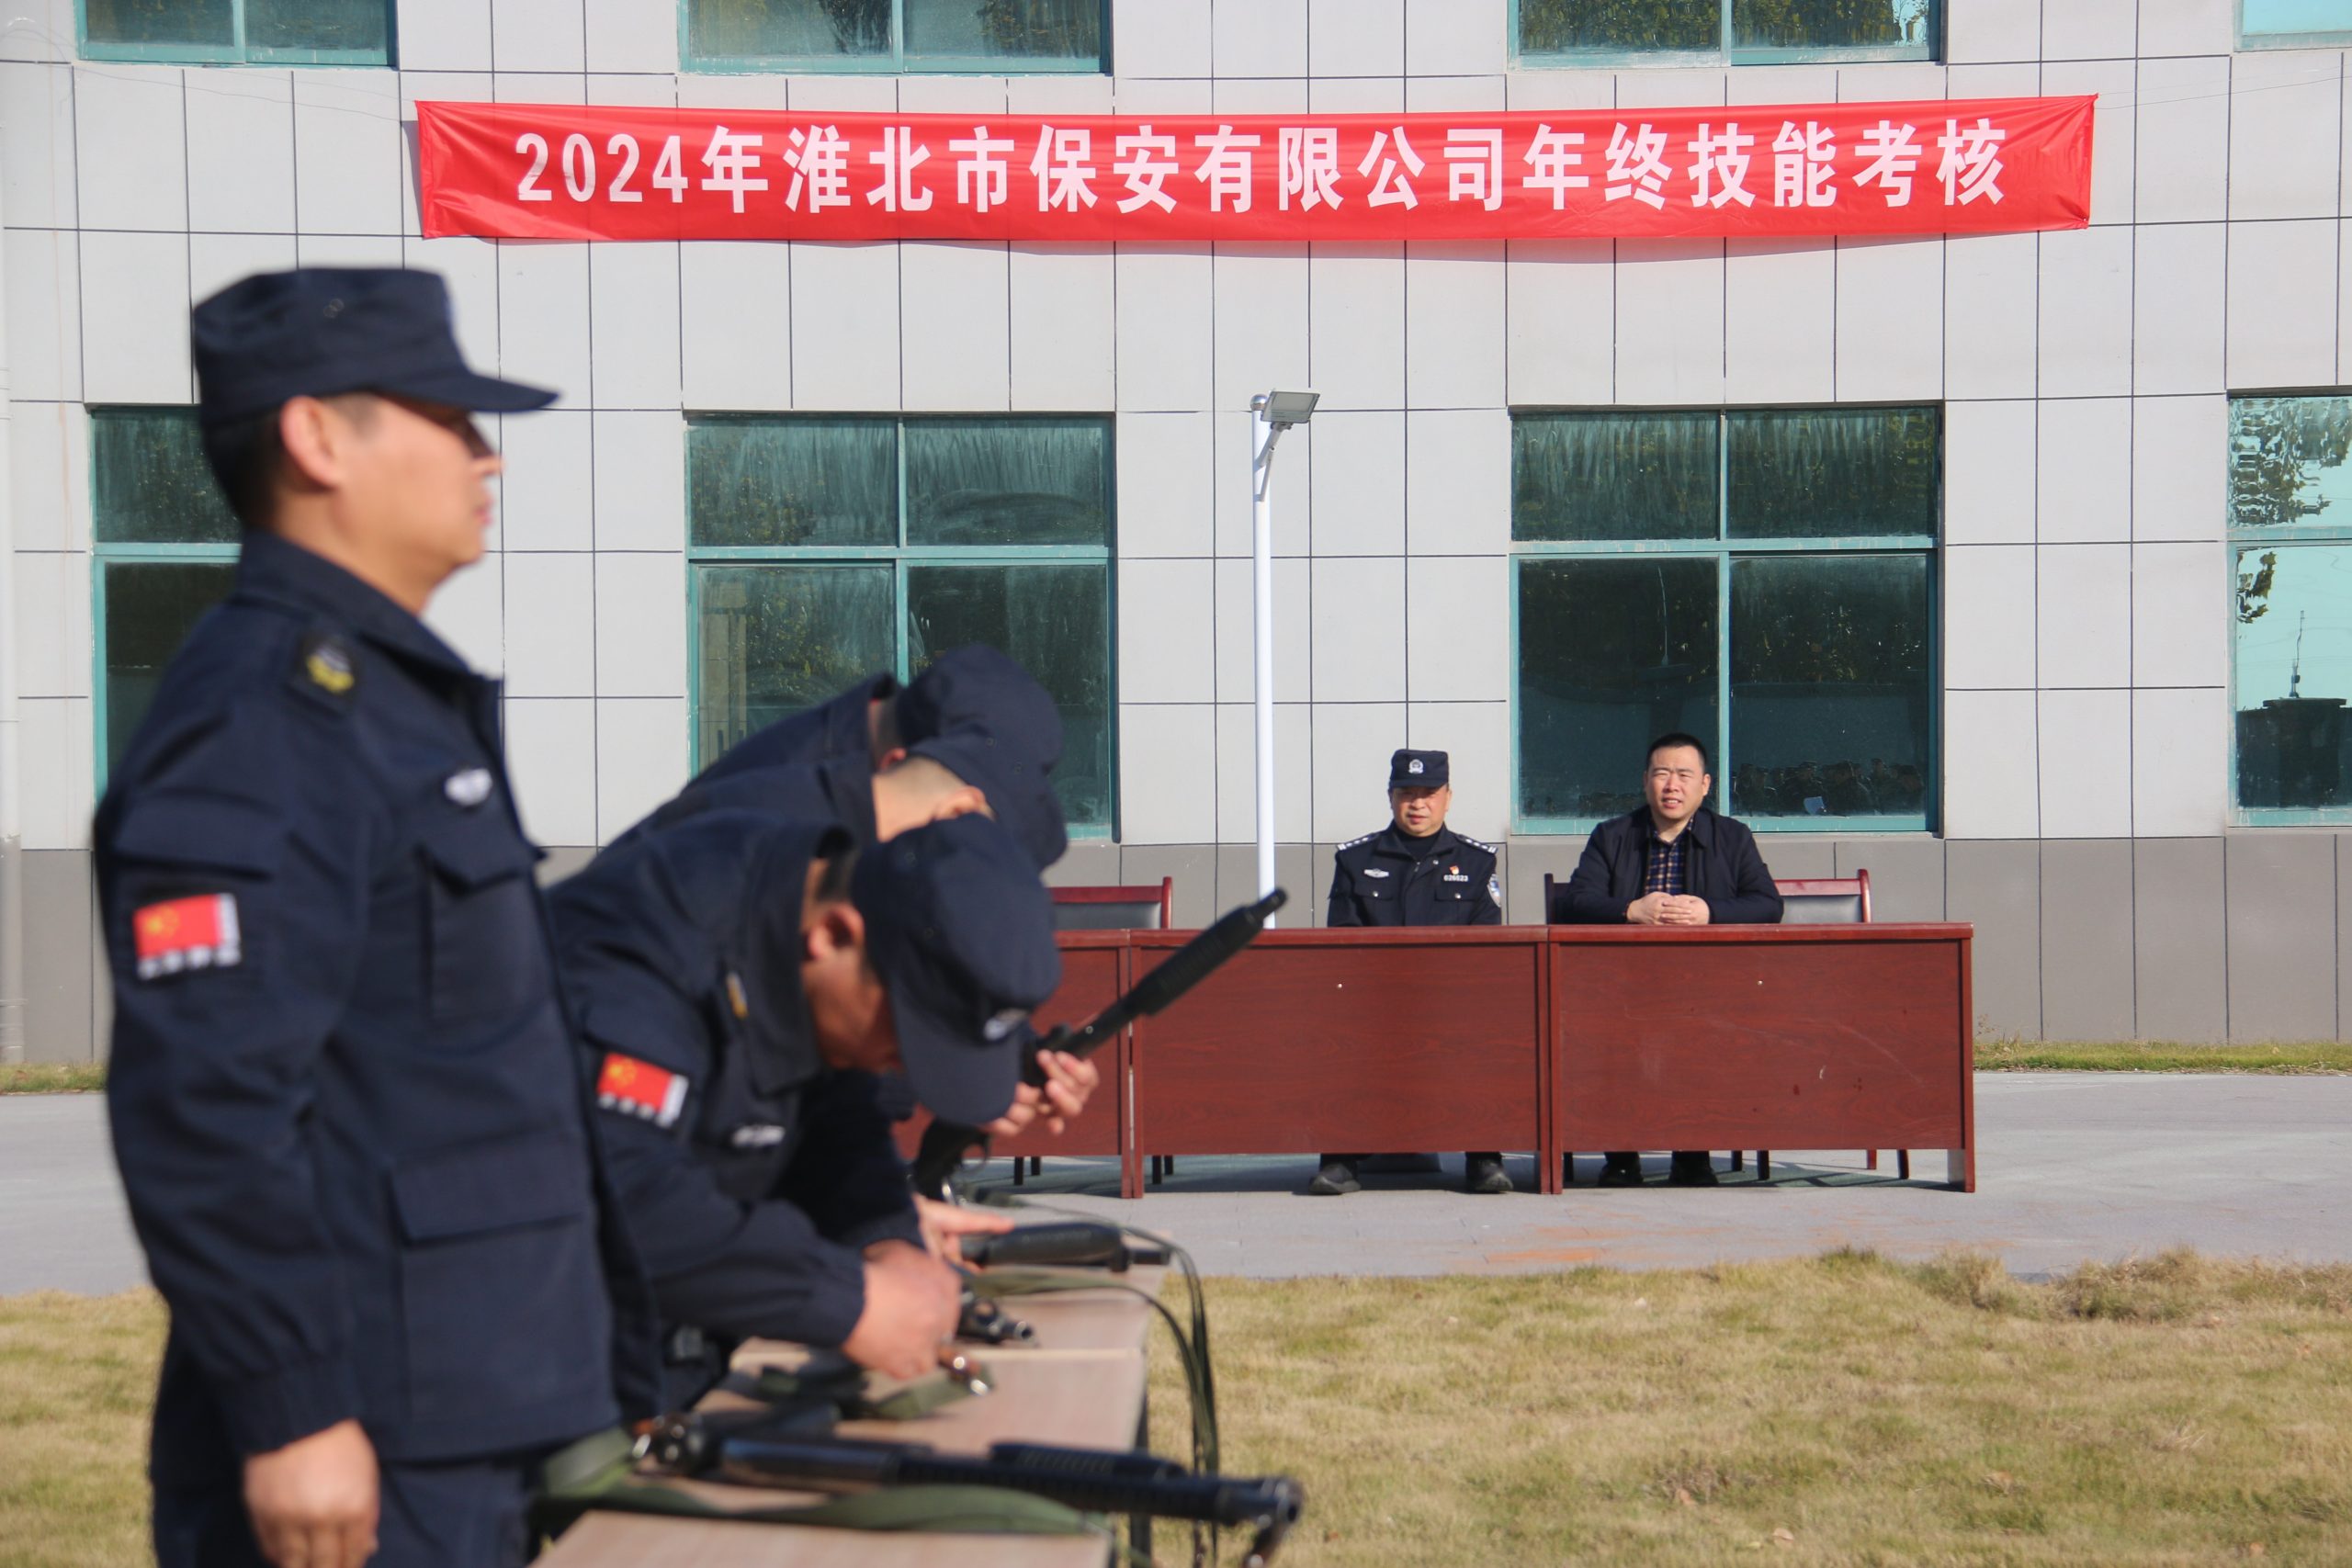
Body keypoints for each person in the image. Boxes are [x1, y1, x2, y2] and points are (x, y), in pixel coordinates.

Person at [96, 267, 658, 1568]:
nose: (485, 455)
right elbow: (206, 1097)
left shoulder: (389, 702)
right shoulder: (259, 715)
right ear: (314, 437)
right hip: (367, 1438)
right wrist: (292, 1405)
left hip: (464, 1414)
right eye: (448, 419)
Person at [548, 811, 1092, 1404]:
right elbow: (624, 1193)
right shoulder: (641, 957)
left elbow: (838, 1124)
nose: (902, 1068)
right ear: (834, 935)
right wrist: (849, 1299)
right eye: (905, 1039)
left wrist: (888, 1241)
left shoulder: (800, 943)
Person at [1556, 731, 1784, 1187]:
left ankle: (1693, 1155)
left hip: (1707, 983)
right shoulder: (1612, 836)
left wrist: (1710, 912)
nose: (1672, 785)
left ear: (1705, 784)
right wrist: (1630, 910)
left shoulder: (1732, 837)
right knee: (1613, 1039)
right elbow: (1575, 901)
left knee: (1702, 1037)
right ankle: (1621, 1157)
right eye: (1662, 774)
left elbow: (1768, 904)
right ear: (1645, 781)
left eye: (1684, 775)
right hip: (1624, 983)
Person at [1315, 749, 1510, 1198]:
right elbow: (1342, 944)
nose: (1418, 804)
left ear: (1448, 798)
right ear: (1390, 797)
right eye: (1407, 793)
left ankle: (1484, 1157)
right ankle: (1339, 1159)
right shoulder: (1356, 859)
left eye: (1429, 794)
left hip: (1451, 1003)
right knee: (1337, 1035)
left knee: (1488, 1032)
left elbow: (1486, 949)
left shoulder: (1477, 862)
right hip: (1374, 1002)